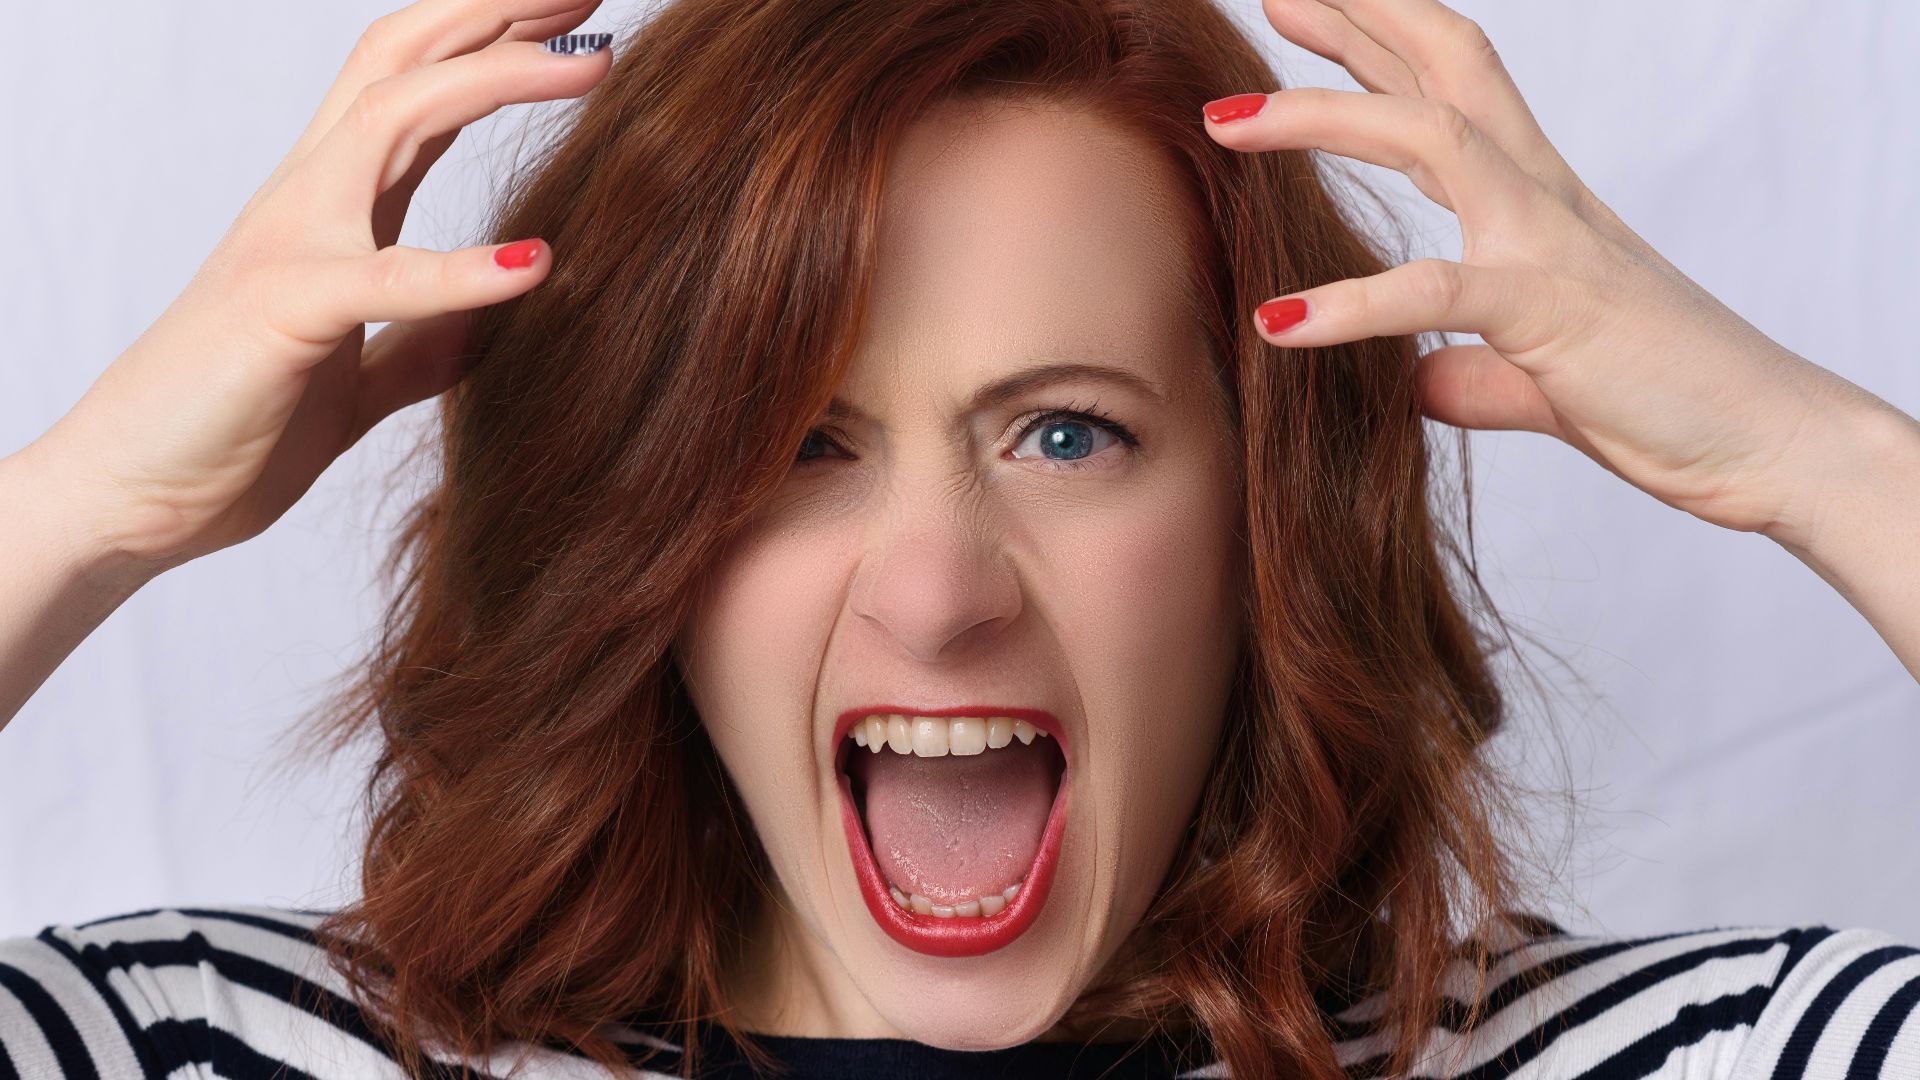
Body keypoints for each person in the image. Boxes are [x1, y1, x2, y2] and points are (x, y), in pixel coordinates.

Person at [2, 0, 1916, 1076]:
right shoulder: (212, 1047)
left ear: (1267, 516)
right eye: (790, 447)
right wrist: (86, 507)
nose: (935, 594)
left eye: (1068, 433)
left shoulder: (1669, 1058)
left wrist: (1822, 458)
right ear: (638, 530)